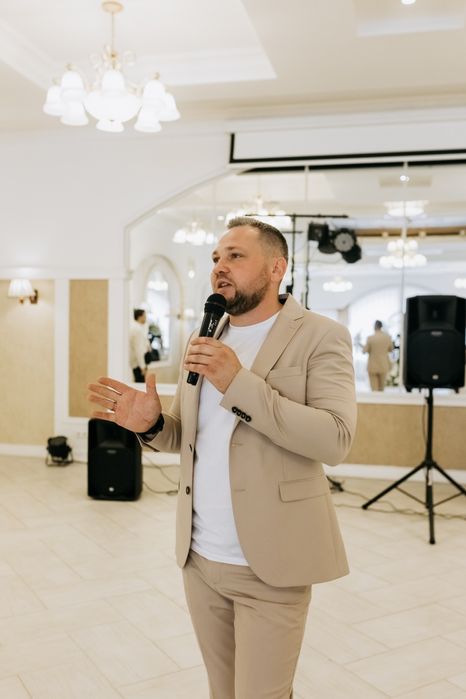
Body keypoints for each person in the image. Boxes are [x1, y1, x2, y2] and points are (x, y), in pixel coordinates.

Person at [88, 217, 357, 699]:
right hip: (200, 558)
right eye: (216, 257)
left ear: (277, 268)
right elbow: (187, 436)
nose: (219, 267)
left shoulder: (321, 335)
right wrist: (151, 424)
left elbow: (334, 439)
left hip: (272, 564)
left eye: (235, 256)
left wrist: (238, 382)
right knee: (222, 691)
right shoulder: (206, 335)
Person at [363, 320, 394, 391]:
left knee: (374, 390)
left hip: (372, 366)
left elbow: (364, 351)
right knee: (381, 389)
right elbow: (391, 349)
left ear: (375, 326)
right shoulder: (387, 337)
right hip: (383, 365)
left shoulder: (370, 338)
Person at [129, 308, 150, 382]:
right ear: (140, 317)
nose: (146, 318)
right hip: (138, 364)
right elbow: (138, 349)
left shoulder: (137, 327)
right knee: (140, 384)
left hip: (137, 362)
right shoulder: (137, 329)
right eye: (145, 316)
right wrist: (142, 366)